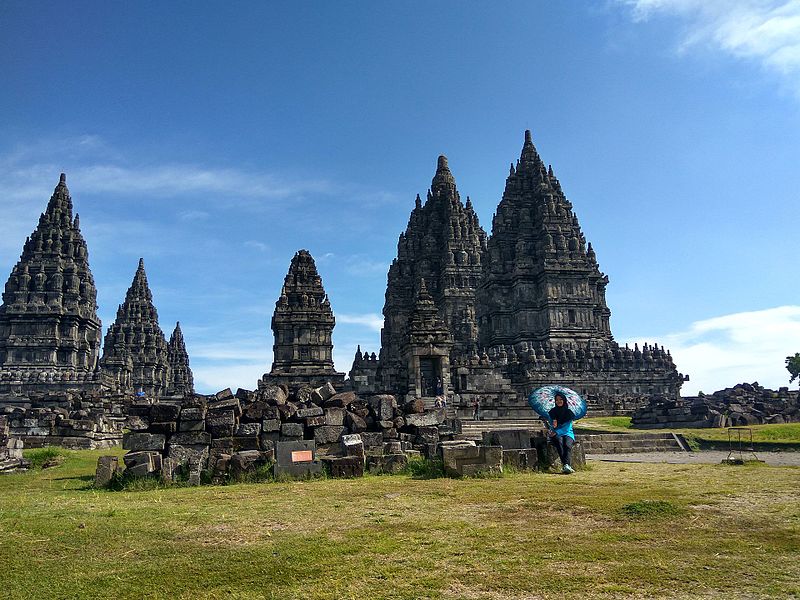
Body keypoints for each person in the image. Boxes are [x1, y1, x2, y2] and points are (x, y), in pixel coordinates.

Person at [548, 391, 576, 474]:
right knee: (559, 443)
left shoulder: (569, 413)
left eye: (560, 399)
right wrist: (553, 424)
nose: (558, 401)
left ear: (564, 400)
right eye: (556, 400)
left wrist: (557, 431)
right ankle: (566, 465)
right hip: (555, 433)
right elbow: (551, 427)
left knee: (567, 445)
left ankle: (566, 465)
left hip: (567, 433)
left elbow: (567, 428)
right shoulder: (552, 412)